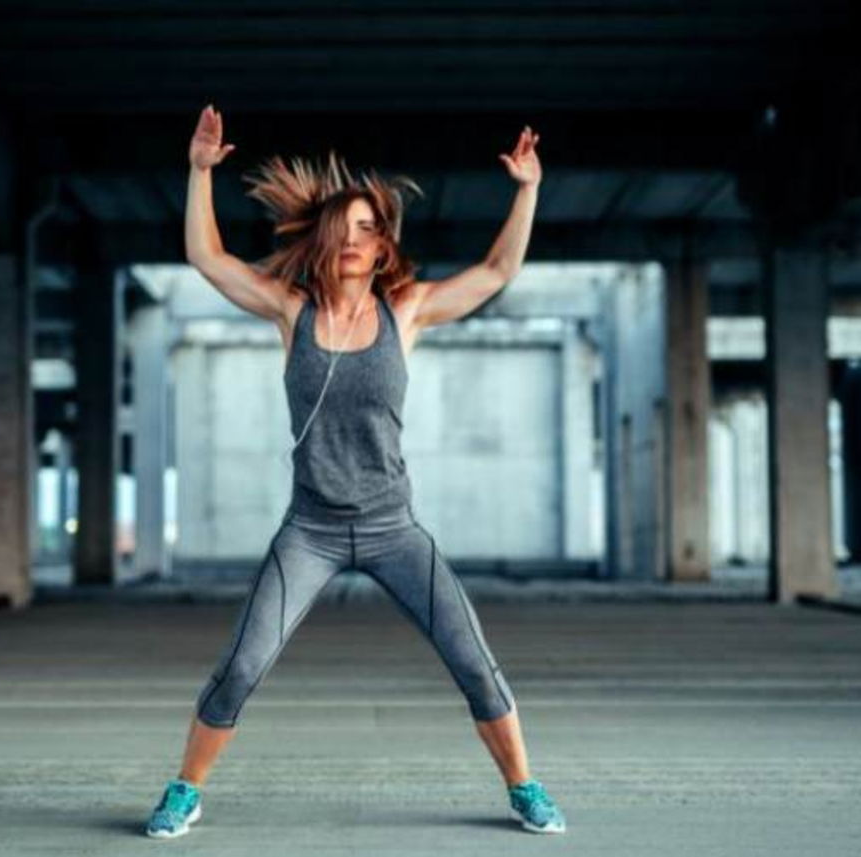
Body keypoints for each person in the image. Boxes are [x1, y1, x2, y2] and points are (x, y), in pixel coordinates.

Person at [145, 103, 565, 838]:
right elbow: (207, 259)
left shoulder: (408, 312)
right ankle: (186, 788)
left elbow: (498, 270)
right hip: (309, 529)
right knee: (242, 664)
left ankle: (525, 785)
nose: (357, 236)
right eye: (347, 224)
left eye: (371, 227)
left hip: (392, 527)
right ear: (327, 237)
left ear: (382, 249)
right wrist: (199, 173)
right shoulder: (290, 310)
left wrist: (526, 189)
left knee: (472, 658)